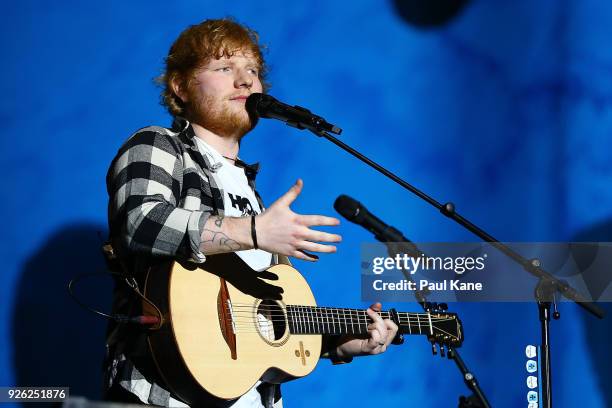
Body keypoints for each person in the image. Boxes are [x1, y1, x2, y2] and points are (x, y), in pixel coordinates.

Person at [104, 18, 398, 408]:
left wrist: (341, 343)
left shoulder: (252, 195)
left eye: (253, 71)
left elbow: (258, 320)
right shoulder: (159, 145)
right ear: (180, 85)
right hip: (166, 393)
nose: (245, 81)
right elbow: (140, 223)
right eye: (224, 68)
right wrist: (254, 232)